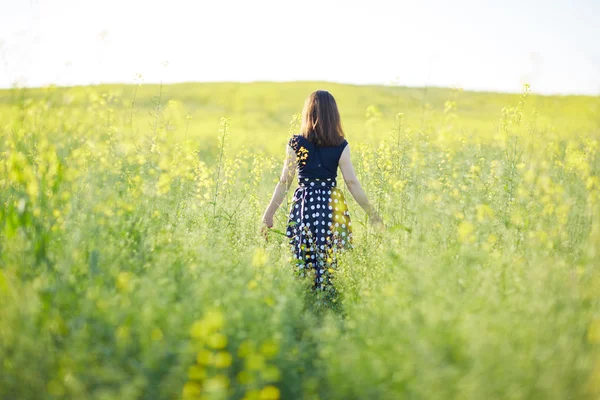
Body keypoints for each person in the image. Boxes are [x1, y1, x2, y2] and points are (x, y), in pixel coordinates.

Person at [262, 90, 383, 292]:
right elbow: (351, 182)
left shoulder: (296, 143)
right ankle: (328, 296)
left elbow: (285, 182)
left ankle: (306, 295)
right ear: (334, 114)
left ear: (308, 113)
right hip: (330, 203)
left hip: (305, 203)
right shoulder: (340, 145)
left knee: (303, 250)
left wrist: (268, 215)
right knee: (330, 251)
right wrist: (372, 214)